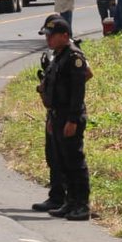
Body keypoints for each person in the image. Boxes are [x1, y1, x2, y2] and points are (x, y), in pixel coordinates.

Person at [36, 16, 91, 220]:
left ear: (65, 36)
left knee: (75, 161)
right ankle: (70, 202)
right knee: (62, 161)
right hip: (57, 115)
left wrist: (73, 120)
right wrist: (52, 117)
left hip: (70, 116)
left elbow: (78, 91)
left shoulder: (74, 57)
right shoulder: (59, 55)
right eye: (47, 36)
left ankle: (82, 205)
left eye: (52, 36)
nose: (48, 39)